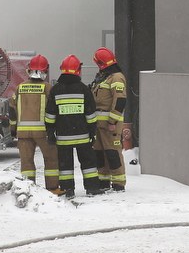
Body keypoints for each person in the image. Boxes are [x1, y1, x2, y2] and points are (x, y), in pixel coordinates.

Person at [44, 54, 102, 198]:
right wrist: (92, 132)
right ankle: (92, 188)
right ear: (78, 70)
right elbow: (90, 114)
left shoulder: (56, 90)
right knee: (88, 163)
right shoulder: (84, 89)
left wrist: (50, 133)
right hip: (83, 136)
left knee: (65, 166)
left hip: (63, 137)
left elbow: (50, 114)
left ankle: (67, 189)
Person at [8, 54, 60, 193]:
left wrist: (13, 129)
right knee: (51, 160)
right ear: (45, 70)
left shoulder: (20, 88)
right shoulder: (48, 88)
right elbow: (54, 110)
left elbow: (12, 109)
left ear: (29, 70)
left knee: (26, 163)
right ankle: (53, 188)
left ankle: (28, 190)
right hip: (43, 132)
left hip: (23, 133)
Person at [91, 46, 127, 192]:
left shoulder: (116, 77)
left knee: (113, 153)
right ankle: (103, 181)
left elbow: (120, 101)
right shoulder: (104, 77)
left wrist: (112, 122)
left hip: (110, 124)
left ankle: (118, 183)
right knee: (99, 154)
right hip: (99, 124)